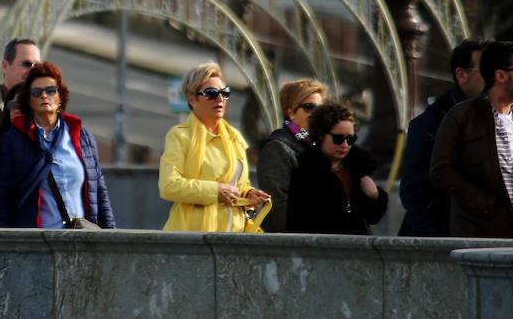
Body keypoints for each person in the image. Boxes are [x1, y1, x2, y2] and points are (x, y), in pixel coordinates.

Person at [429, 41, 513, 238]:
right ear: (500, 75)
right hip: (479, 237)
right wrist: (482, 203)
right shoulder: (462, 116)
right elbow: (440, 171)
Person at [0, 62, 115, 228]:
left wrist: (111, 235)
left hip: (81, 242)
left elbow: (99, 192)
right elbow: (1, 199)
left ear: (60, 97)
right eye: (36, 92)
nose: (44, 96)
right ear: (29, 101)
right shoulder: (13, 141)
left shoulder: (82, 137)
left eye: (51, 90)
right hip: (36, 245)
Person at [159, 62, 270, 232]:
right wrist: (214, 191)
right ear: (192, 99)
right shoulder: (180, 136)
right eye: (211, 93)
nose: (220, 99)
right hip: (192, 238)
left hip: (234, 236)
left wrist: (248, 193)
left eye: (224, 93)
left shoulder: (234, 137)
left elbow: (238, 184)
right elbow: (168, 186)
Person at [398, 38, 487, 236]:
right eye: (486, 69)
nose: (496, 77)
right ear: (462, 75)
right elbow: (415, 196)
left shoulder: (507, 118)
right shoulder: (430, 123)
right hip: (443, 243)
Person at [287, 101, 387, 235]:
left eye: (351, 139)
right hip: (322, 249)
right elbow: (296, 223)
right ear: (322, 135)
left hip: (358, 248)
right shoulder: (306, 173)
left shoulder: (358, 168)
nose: (345, 145)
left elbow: (373, 217)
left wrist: (375, 196)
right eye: (338, 139)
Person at [256, 78, 327, 233]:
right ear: (291, 112)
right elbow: (279, 210)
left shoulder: (323, 148)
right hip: (291, 247)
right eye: (309, 108)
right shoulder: (277, 148)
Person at [0, 38, 41, 134]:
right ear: (5, 66)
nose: (33, 71)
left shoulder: (44, 110)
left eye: (37, 66)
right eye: (26, 64)